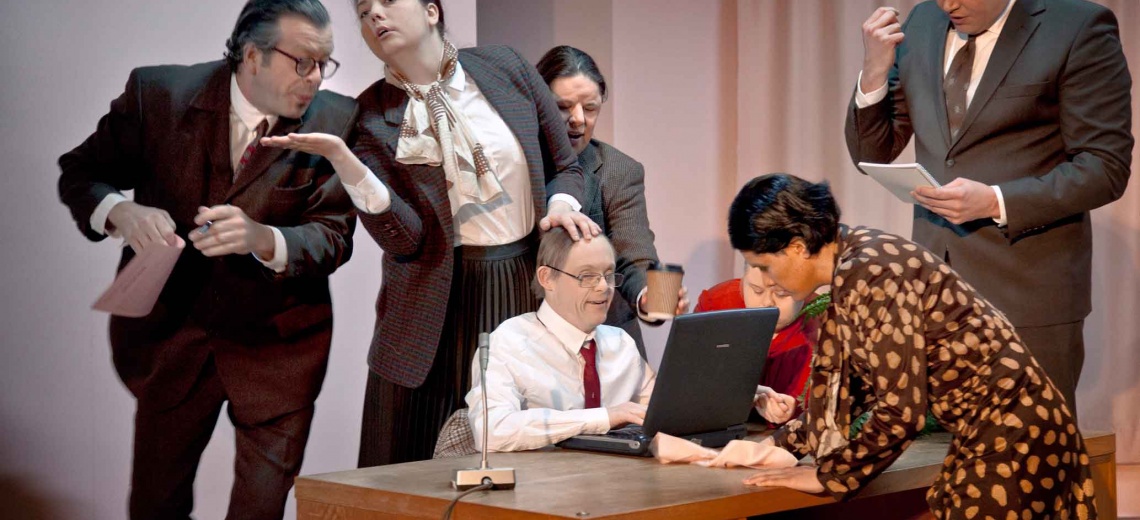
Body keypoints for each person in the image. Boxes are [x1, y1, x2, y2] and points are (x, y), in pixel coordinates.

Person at [262, 0, 598, 466]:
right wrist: (347, 163)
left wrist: (561, 204)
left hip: (521, 285)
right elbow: (406, 240)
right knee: (402, 474)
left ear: (433, 11)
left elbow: (566, 165)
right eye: (362, 11)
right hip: (430, 306)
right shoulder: (370, 114)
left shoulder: (507, 67)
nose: (374, 15)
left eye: (386, 2)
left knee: (519, 464)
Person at [56, 0, 356, 517]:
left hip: (280, 354)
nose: (314, 78)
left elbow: (335, 235)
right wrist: (120, 211)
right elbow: (80, 174)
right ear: (251, 55)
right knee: (155, 506)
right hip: (171, 343)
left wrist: (265, 238)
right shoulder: (160, 96)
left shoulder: (337, 120)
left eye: (324, 64)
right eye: (302, 62)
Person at [732, 174, 1096, 519]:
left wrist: (830, 476)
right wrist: (780, 446)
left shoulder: (871, 271)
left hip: (1016, 432)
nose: (766, 279)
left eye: (763, 265)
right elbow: (851, 388)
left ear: (797, 247)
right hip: (1009, 429)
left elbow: (901, 411)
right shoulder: (855, 263)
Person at [845, 0, 1133, 412]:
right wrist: (874, 68)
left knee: (1030, 454)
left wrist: (996, 200)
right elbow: (870, 151)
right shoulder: (925, 21)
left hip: (1027, 290)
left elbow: (1105, 167)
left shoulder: (1077, 27)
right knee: (943, 459)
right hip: (936, 292)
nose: (949, 5)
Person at [535, 45, 687, 358]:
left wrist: (654, 299)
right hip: (530, 342)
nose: (578, 119)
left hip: (605, 349)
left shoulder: (620, 169)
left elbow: (636, 255)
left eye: (590, 108)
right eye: (563, 107)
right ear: (538, 105)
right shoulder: (518, 165)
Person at [466, 228, 654, 452]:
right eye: (587, 276)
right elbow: (491, 431)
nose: (603, 287)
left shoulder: (621, 344)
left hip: (615, 481)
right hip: (539, 482)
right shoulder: (509, 342)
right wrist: (603, 418)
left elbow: (663, 413)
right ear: (547, 278)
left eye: (608, 275)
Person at [695, 264, 823, 424]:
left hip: (784, 441)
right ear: (743, 280)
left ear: (805, 290)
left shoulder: (823, 322)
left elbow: (826, 413)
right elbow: (690, 382)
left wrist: (795, 412)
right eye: (756, 290)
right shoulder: (716, 305)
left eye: (781, 294)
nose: (767, 302)